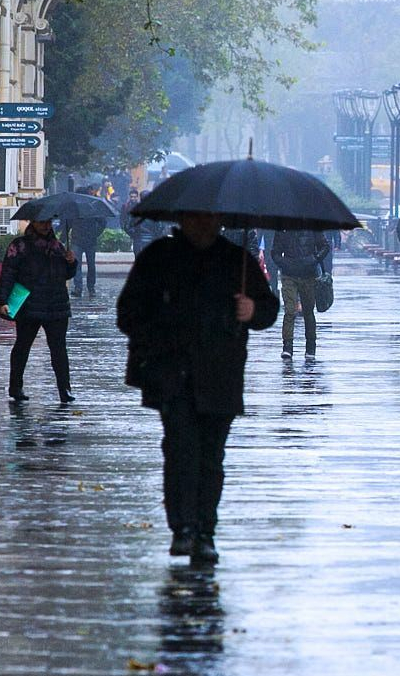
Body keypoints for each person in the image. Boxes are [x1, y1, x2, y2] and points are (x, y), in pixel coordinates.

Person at [116, 210, 279, 564]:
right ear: (183, 220)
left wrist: (252, 310)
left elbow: (268, 309)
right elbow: (127, 312)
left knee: (211, 458)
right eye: (197, 218)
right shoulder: (159, 257)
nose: (204, 225)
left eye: (210, 219)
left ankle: (206, 531)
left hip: (221, 375)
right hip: (171, 374)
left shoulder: (237, 261)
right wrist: (158, 329)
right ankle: (183, 528)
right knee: (179, 452)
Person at [0, 216, 79, 404]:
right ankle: (15, 387)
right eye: (42, 222)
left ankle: (65, 389)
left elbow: (66, 273)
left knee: (59, 350)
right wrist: (1, 301)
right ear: (33, 223)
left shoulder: (57, 246)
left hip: (57, 305)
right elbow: (8, 273)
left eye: (48, 222)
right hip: (29, 305)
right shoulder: (20, 246)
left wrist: (71, 262)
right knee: (23, 346)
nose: (46, 226)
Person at [268, 227, 333, 359]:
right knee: (290, 310)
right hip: (289, 274)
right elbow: (275, 252)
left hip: (308, 275)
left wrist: (313, 259)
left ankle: (310, 347)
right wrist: (284, 263)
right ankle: (287, 347)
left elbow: (325, 246)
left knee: (308, 311)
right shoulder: (283, 228)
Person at [68, 208, 109, 300]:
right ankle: (87, 288)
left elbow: (102, 222)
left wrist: (95, 233)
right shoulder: (92, 208)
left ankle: (82, 288)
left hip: (81, 240)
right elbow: (103, 223)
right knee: (88, 265)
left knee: (83, 265)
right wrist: (96, 233)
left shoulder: (76, 209)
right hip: (83, 240)